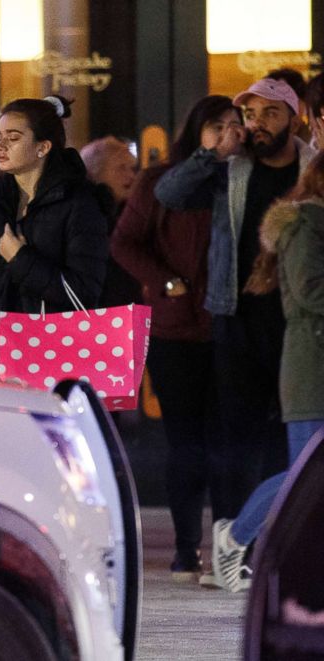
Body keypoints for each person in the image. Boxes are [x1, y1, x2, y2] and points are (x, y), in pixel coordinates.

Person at [154, 78, 315, 522]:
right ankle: (231, 536)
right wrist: (214, 153)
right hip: (236, 318)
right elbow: (168, 194)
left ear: (294, 118)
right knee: (235, 439)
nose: (257, 124)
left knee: (290, 435)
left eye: (270, 113)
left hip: (297, 323)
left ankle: (272, 537)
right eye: (250, 114)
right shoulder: (231, 168)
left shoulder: (312, 168)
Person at [111, 95, 241, 581]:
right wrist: (165, 282)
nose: (228, 134)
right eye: (217, 126)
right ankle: (188, 550)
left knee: (227, 442)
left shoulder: (242, 179)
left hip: (230, 329)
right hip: (176, 328)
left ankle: (229, 551)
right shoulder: (161, 182)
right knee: (185, 442)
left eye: (235, 125)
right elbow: (125, 242)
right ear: (197, 131)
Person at [211, 151, 324, 592]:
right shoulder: (304, 223)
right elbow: (310, 291)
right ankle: (236, 535)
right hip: (312, 367)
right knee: (306, 474)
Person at [0, 96, 108, 369]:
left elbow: (83, 293)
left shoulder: (78, 204)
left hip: (51, 353)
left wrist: (20, 259)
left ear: (43, 147)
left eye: (13, 138)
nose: (0, 146)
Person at [80, 136, 141, 307]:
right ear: (95, 172)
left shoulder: (130, 212)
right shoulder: (85, 215)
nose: (131, 176)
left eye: (132, 168)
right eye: (121, 168)